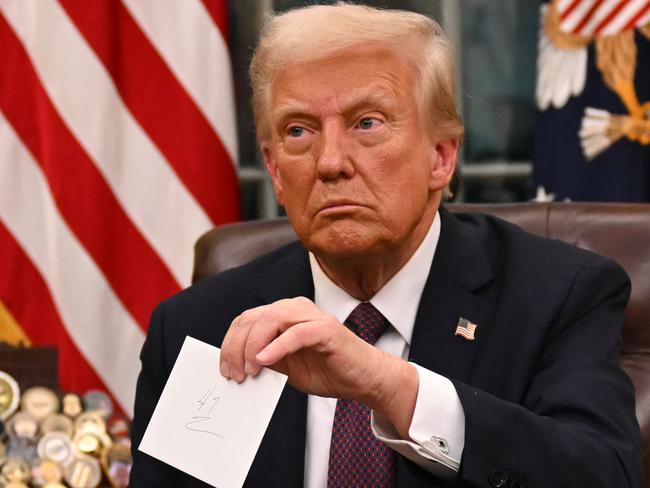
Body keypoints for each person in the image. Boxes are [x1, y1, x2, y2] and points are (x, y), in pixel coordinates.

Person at [130, 4, 644, 487]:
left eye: (367, 123)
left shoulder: (557, 295)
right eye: (299, 131)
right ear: (274, 172)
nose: (330, 162)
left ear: (441, 157)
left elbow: (601, 473)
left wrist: (391, 387)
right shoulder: (201, 327)